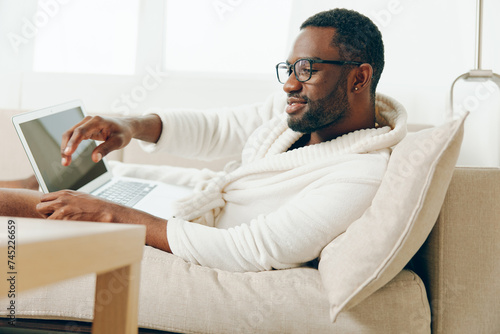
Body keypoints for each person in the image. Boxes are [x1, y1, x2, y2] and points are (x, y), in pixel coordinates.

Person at [0, 8, 407, 272]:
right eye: (288, 68)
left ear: (359, 77)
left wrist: (111, 214)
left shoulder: (361, 173)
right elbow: (218, 128)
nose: (289, 85)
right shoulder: (302, 119)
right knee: (64, 176)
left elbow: (252, 248)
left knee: (63, 203)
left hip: (194, 233)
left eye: (307, 69)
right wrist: (131, 125)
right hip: (193, 203)